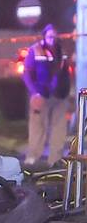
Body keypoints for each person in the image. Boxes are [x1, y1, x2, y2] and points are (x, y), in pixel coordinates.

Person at [23, 24, 70, 167]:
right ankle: (32, 157)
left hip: (59, 95)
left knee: (59, 129)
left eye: (54, 36)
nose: (52, 39)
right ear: (44, 36)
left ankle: (55, 160)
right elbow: (27, 73)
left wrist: (67, 90)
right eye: (50, 36)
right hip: (41, 95)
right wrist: (34, 92)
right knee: (38, 126)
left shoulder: (62, 51)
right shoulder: (35, 50)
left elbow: (66, 73)